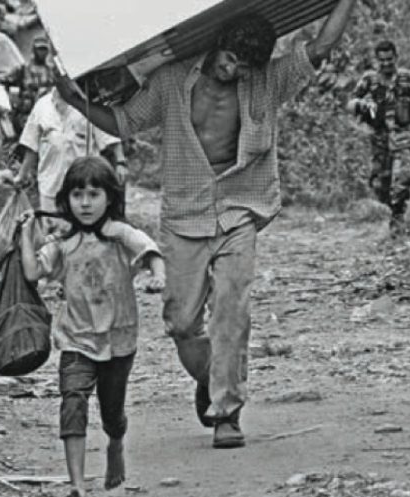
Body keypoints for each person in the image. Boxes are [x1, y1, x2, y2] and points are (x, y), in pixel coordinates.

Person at [53, 0, 358, 449]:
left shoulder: (268, 81)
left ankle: (227, 412)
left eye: (242, 66)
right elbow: (122, 122)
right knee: (181, 322)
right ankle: (212, 377)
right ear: (217, 46)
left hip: (240, 209)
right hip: (184, 213)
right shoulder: (173, 79)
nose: (232, 70)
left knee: (233, 310)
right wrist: (73, 98)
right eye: (229, 59)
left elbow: (321, 45)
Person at [19, 156, 166, 497]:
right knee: (73, 403)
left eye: (94, 194)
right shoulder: (63, 244)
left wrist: (158, 277)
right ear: (66, 200)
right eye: (77, 195)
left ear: (110, 198)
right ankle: (78, 486)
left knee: (112, 413)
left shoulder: (119, 234)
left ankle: (116, 443)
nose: (85, 203)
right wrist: (26, 234)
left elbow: (150, 250)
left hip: (118, 340)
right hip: (76, 340)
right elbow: (32, 273)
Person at [346, 40, 410, 230]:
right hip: (379, 138)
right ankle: (394, 208)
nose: (386, 63)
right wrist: (362, 105)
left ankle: (398, 216)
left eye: (389, 59)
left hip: (403, 136)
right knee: (379, 184)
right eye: (382, 60)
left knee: (405, 176)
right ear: (377, 60)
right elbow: (350, 104)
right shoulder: (369, 80)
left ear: (395, 57)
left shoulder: (406, 78)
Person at [14, 87, 128, 234]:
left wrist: (120, 161)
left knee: (83, 233)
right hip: (50, 184)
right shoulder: (42, 106)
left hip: (83, 186)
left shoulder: (88, 104)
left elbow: (109, 135)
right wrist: (21, 175)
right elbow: (31, 144)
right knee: (52, 235)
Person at [0, 35, 56, 134]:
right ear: (34, 50)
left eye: (44, 49)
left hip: (47, 113)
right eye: (39, 49)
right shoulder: (23, 69)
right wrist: (12, 99)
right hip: (27, 114)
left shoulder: (51, 70)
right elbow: (2, 82)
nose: (42, 52)